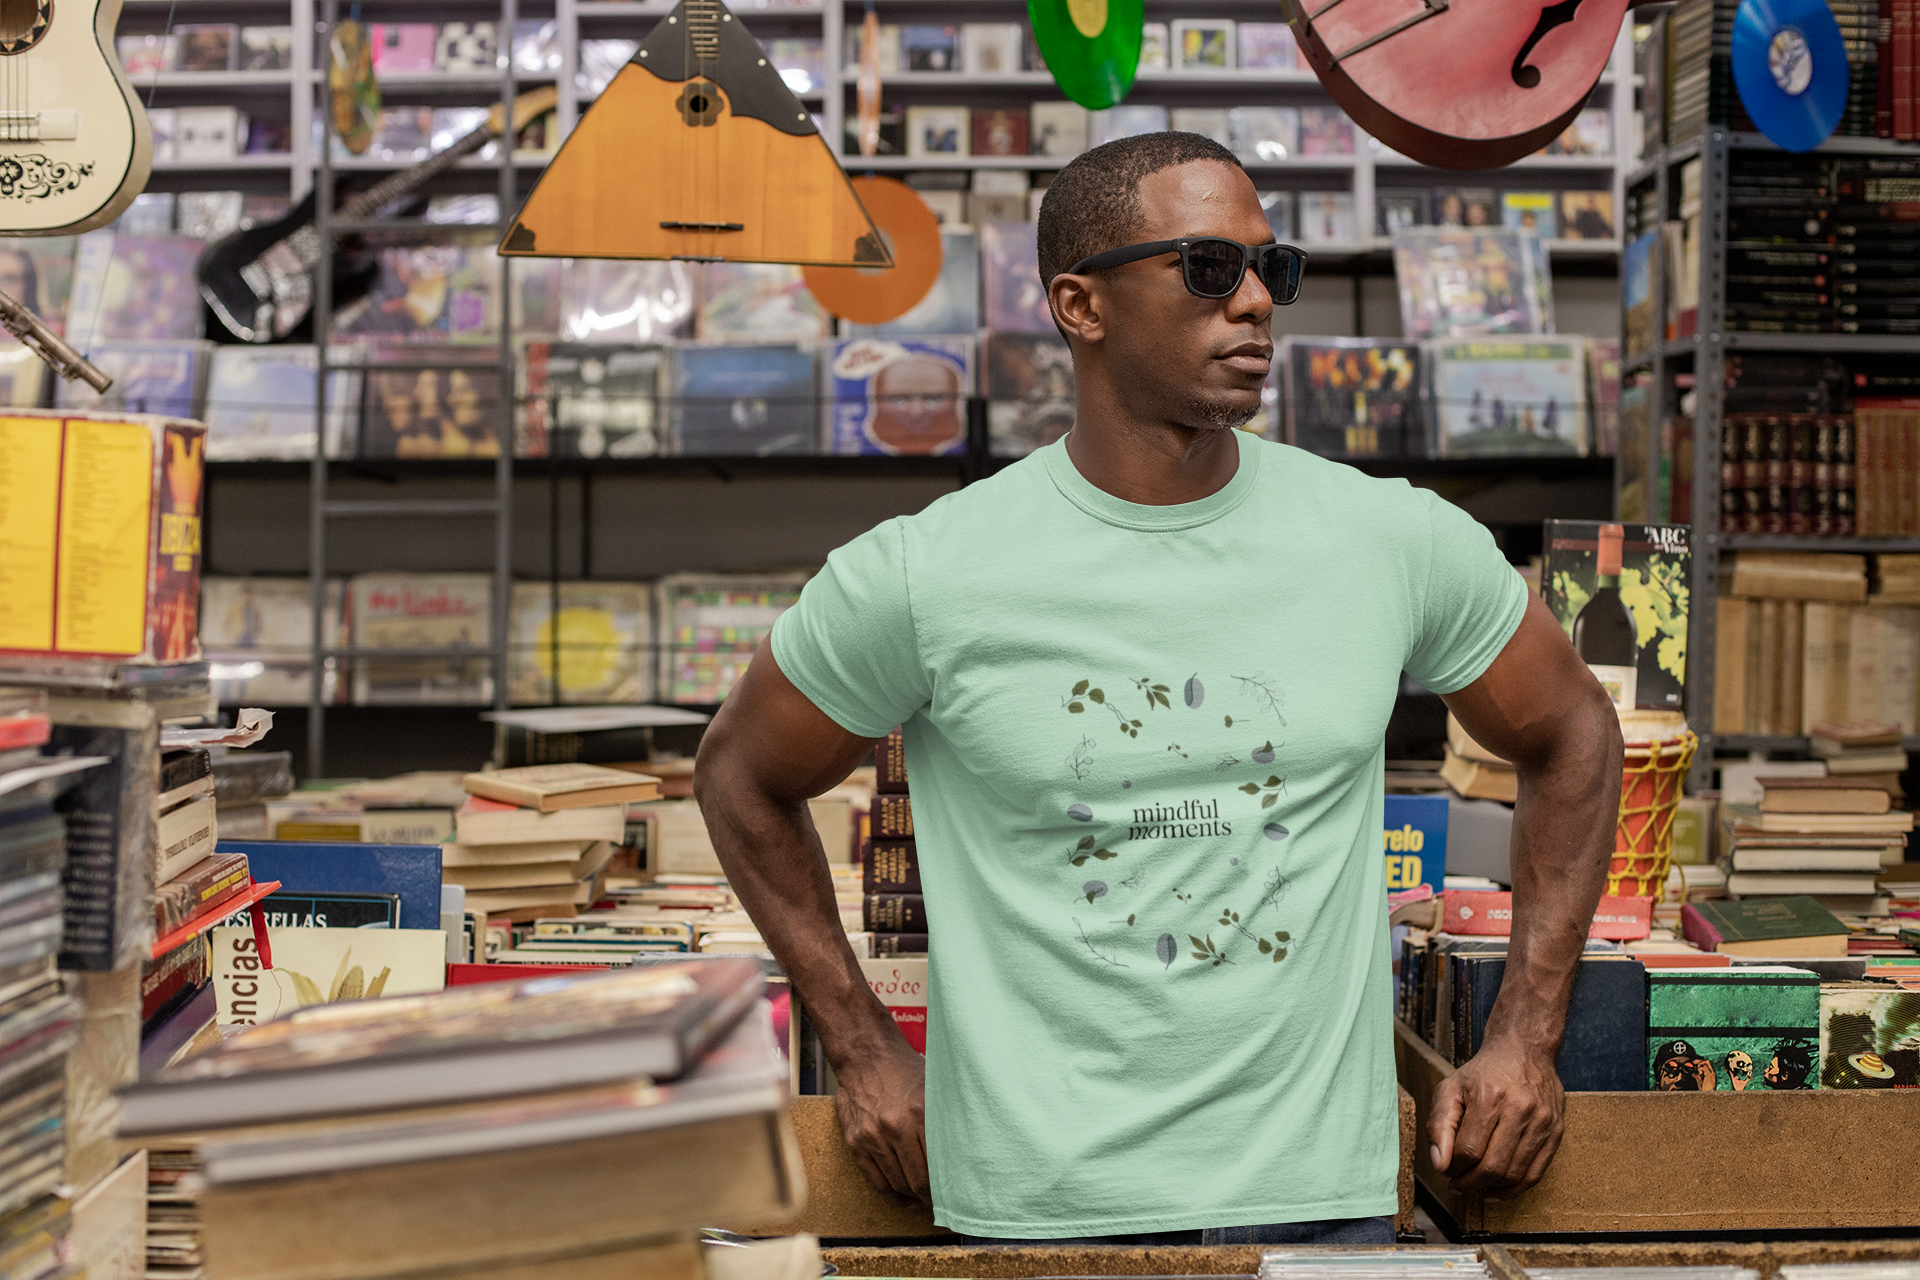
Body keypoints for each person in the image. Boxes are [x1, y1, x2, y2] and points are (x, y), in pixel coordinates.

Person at [696, 131, 1622, 1244]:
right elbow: (740, 774)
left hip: (1320, 1205)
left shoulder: (1390, 537)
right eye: (1206, 268)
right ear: (1079, 305)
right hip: (1038, 1214)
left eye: (1270, 271)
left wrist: (1525, 1030)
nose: (1254, 304)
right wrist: (857, 1042)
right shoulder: (925, 572)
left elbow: (1573, 729)